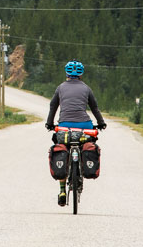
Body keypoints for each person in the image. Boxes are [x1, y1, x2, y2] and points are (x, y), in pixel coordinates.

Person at [45, 61, 107, 206]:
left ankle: (62, 190)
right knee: (87, 144)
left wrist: (49, 123)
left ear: (66, 74)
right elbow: (95, 108)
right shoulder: (87, 88)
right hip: (85, 125)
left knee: (62, 149)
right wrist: (101, 122)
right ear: (80, 74)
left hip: (64, 126)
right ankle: (81, 166)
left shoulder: (60, 88)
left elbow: (53, 106)